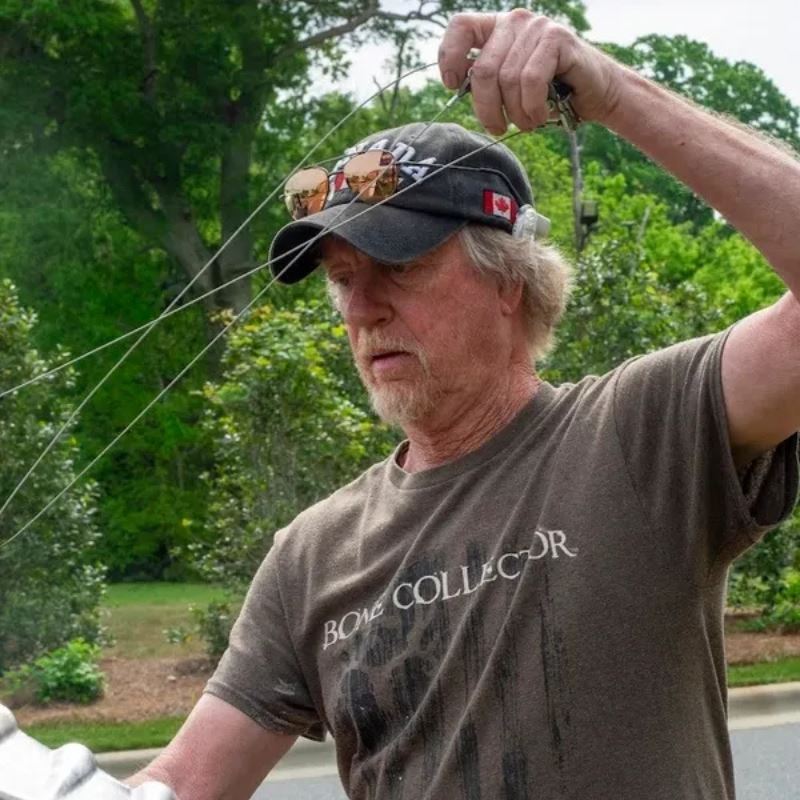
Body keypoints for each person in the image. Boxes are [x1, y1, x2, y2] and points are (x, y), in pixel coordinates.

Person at [128, 10, 800, 800]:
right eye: (343, 279)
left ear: (509, 279)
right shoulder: (310, 556)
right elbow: (183, 784)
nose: (361, 308)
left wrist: (614, 93)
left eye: (398, 266)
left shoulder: (641, 432)